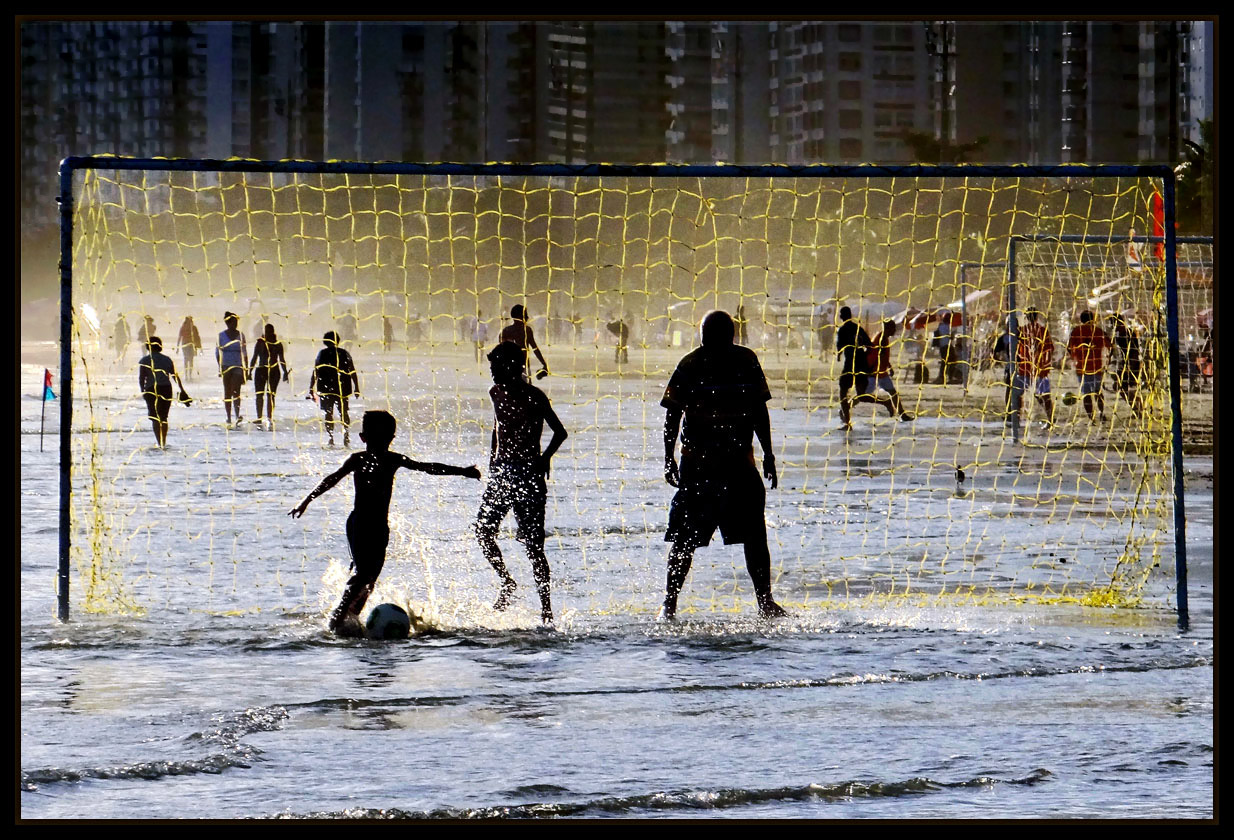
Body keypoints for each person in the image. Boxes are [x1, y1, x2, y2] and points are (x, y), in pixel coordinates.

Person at [288, 410, 480, 636]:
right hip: (359, 523)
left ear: (388, 439)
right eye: (378, 438)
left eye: (384, 438)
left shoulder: (393, 460)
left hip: (380, 527)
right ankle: (337, 618)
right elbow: (332, 478)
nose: (382, 443)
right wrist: (306, 500)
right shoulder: (358, 459)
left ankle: (351, 620)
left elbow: (427, 467)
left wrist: (461, 472)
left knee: (370, 580)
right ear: (364, 439)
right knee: (362, 573)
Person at [659, 310, 787, 621]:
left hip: (736, 465)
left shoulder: (746, 361)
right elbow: (672, 414)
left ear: (729, 337)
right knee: (684, 537)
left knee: (755, 534)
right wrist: (668, 457)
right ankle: (670, 602)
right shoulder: (689, 364)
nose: (710, 346)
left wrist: (768, 453)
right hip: (699, 465)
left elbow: (759, 410)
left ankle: (765, 602)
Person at [474, 341, 569, 624]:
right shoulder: (495, 392)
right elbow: (497, 427)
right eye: (490, 368)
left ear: (513, 367)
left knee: (533, 546)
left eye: (496, 368)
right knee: (483, 531)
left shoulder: (534, 396)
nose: (492, 373)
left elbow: (559, 432)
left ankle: (546, 610)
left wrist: (544, 458)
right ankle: (507, 582)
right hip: (502, 473)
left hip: (528, 475)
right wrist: (493, 461)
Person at [309, 330, 360, 447]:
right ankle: (346, 434)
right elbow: (352, 370)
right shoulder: (344, 353)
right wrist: (357, 387)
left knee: (328, 413)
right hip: (342, 387)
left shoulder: (322, 354)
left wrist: (311, 388)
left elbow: (316, 371)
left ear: (325, 341)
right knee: (344, 412)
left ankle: (331, 437)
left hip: (326, 387)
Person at [138, 336, 190, 448]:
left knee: (155, 417)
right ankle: (164, 441)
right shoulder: (167, 359)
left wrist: (143, 391)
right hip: (166, 388)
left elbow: (142, 378)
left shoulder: (144, 360)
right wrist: (182, 390)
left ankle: (159, 441)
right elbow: (174, 376)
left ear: (148, 346)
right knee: (164, 417)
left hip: (151, 389)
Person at [1011, 307, 1055, 429]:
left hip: (1025, 368)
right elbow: (1050, 349)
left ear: (1026, 317)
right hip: (1040, 369)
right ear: (1036, 317)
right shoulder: (1043, 330)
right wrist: (1047, 363)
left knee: (1018, 394)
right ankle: (1050, 418)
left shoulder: (1021, 331)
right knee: (1044, 395)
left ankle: (1017, 419)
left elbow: (1015, 348)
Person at [863, 320, 914, 421]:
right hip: (874, 373)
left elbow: (883, 356)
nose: (895, 331)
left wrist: (889, 367)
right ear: (888, 329)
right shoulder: (881, 339)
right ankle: (846, 407)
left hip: (881, 372)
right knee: (862, 396)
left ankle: (902, 414)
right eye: (893, 328)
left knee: (893, 393)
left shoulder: (884, 338)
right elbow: (878, 356)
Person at [1066, 310, 1111, 424]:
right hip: (1096, 367)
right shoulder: (1098, 331)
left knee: (1086, 394)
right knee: (1097, 392)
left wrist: (1074, 357)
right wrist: (1108, 359)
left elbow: (1069, 347)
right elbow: (1110, 344)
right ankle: (1101, 413)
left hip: (1082, 368)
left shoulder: (1076, 331)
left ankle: (1092, 418)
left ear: (1081, 320)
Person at [835, 306, 873, 431]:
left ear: (842, 316)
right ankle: (886, 403)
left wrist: (839, 355)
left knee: (843, 393)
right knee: (861, 395)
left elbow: (840, 347)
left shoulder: (842, 330)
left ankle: (847, 422)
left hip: (850, 365)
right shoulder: (858, 328)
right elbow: (869, 345)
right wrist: (864, 354)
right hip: (861, 365)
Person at [250, 323, 290, 429]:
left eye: (269, 331)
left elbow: (281, 359)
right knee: (260, 395)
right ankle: (260, 417)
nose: (268, 334)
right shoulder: (261, 343)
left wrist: (285, 372)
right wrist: (249, 371)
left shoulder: (277, 344)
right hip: (263, 370)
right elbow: (254, 358)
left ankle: (269, 417)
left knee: (270, 395)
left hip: (272, 370)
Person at [215, 312, 248, 426]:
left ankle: (237, 415)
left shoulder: (241, 335)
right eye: (233, 322)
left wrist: (246, 369)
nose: (235, 324)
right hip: (225, 366)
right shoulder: (221, 336)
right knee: (227, 392)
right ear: (228, 323)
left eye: (236, 322)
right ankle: (228, 416)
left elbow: (244, 353)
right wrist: (219, 367)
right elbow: (217, 353)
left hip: (238, 366)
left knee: (236, 391)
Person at [500, 304, 550, 380]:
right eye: (525, 315)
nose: (527, 317)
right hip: (522, 368)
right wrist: (544, 363)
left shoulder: (506, 331)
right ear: (519, 317)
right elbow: (535, 348)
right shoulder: (526, 330)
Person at [1110, 315, 1144, 418]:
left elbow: (1134, 350)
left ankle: (1138, 408)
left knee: (1119, 387)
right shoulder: (1120, 333)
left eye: (1113, 323)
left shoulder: (1126, 333)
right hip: (1127, 363)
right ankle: (1138, 406)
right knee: (1120, 387)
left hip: (1131, 363)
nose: (1112, 326)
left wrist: (1130, 365)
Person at [176, 316, 202, 380]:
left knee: (188, 359)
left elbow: (197, 337)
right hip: (188, 345)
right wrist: (177, 348)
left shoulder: (189, 328)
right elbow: (197, 338)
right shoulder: (190, 328)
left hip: (188, 345)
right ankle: (188, 374)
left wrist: (177, 348)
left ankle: (188, 374)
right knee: (189, 359)